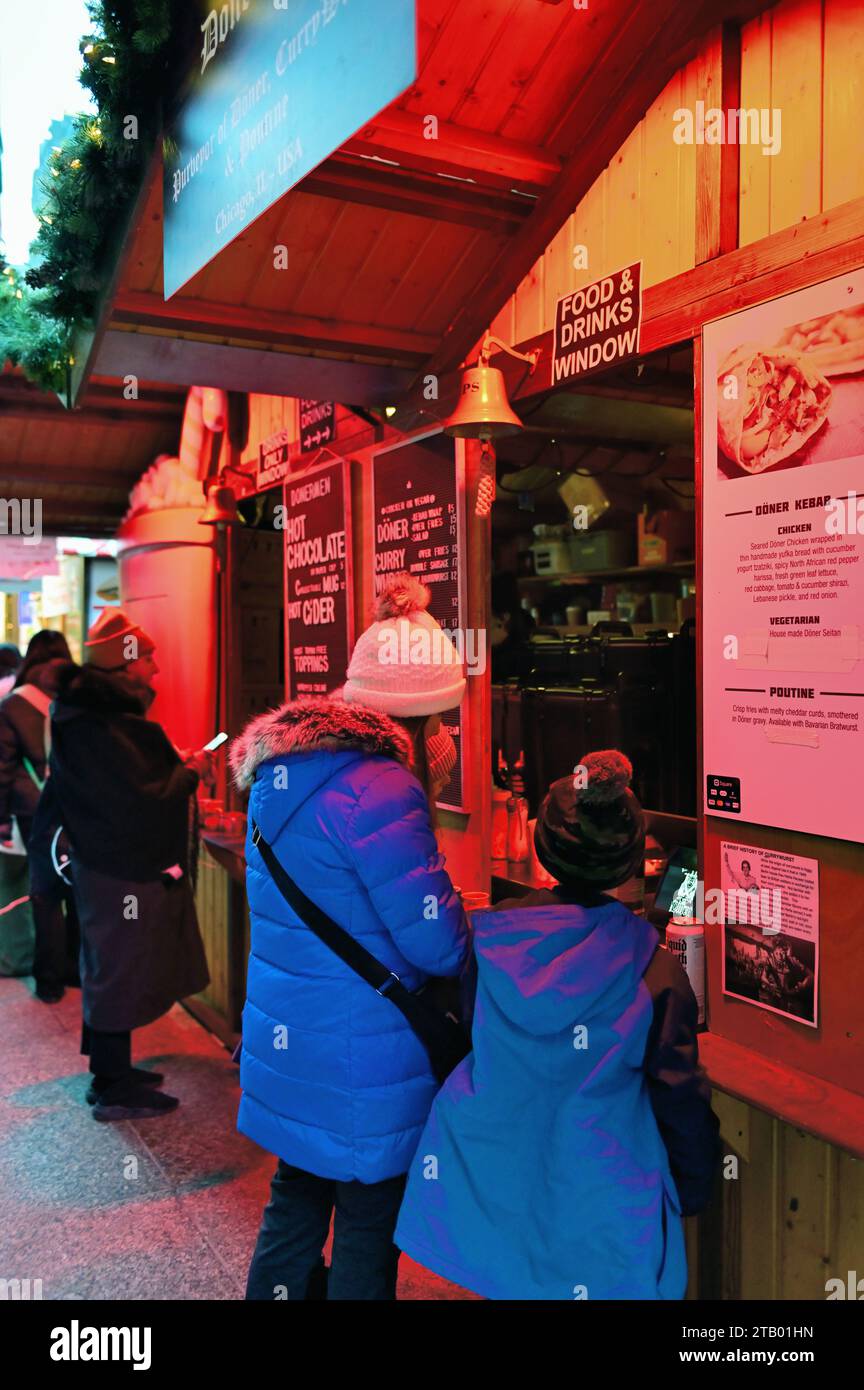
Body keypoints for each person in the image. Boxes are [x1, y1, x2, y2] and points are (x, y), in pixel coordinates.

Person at [396, 750, 721, 1300]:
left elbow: (475, 1032)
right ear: (626, 863)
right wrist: (696, 1180)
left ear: (543, 850)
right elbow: (677, 1092)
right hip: (604, 1192)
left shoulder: (491, 936)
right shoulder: (653, 968)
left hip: (502, 1178)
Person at [231, 574, 470, 1301]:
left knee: (298, 1193)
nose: (450, 737)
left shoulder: (282, 771)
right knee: (370, 1215)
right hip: (364, 1059)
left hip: (291, 1039)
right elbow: (437, 946)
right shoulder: (385, 789)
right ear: (420, 716)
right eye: (444, 722)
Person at [33, 607, 209, 1120]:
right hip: (118, 870)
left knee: (110, 965)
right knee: (117, 968)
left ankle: (112, 1071)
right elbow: (143, 797)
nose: (155, 669)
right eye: (148, 658)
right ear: (125, 662)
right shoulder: (105, 723)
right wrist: (191, 772)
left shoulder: (82, 715)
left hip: (100, 862)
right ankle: (111, 1087)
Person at [0, 631, 79, 1001]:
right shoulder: (77, 699)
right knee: (80, 887)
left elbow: (3, 767)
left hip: (36, 811)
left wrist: (1, 817)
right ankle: (77, 969)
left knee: (44, 892)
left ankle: (49, 980)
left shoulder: (13, 705)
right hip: (79, 808)